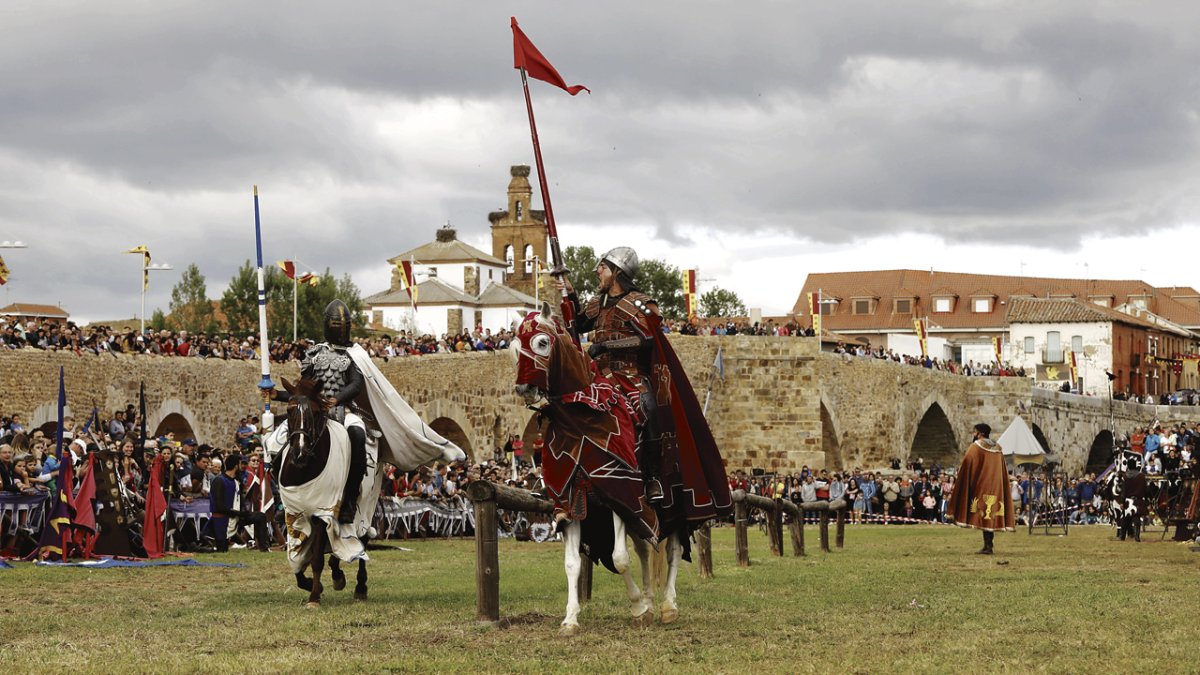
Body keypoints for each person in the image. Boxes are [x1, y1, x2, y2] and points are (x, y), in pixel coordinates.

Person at [556, 246, 730, 515]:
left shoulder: (640, 302)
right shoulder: (599, 303)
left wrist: (606, 346)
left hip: (630, 375)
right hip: (599, 376)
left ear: (616, 272)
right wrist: (569, 292)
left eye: (601, 267)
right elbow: (577, 324)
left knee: (646, 407)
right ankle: (573, 477)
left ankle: (651, 478)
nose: (596, 272)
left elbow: (647, 339)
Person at [266, 299, 369, 524]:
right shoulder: (313, 353)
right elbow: (303, 387)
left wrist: (337, 399)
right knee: (278, 439)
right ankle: (282, 490)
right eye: (335, 325)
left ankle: (349, 498)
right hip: (313, 410)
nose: (340, 330)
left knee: (358, 435)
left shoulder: (354, 355)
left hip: (344, 410)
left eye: (343, 325)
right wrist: (279, 396)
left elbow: (355, 385)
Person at [948, 423, 1015, 554]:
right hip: (996, 485)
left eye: (975, 432)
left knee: (985, 512)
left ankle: (988, 546)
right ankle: (988, 545)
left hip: (982, 484)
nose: (974, 434)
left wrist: (968, 481)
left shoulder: (976, 446)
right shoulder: (998, 448)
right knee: (989, 515)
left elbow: (968, 463)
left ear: (981, 433)